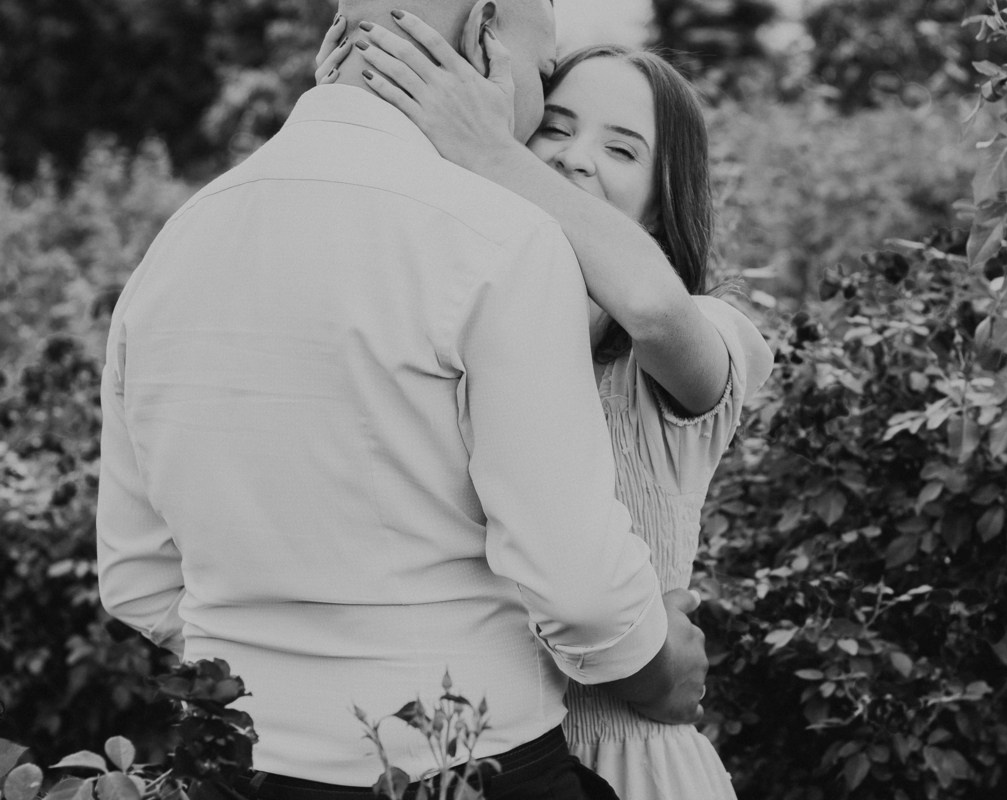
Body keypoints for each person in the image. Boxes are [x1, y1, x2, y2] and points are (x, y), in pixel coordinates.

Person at [96, 2, 713, 799]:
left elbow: (137, 577)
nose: (538, 94)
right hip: (463, 762)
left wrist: (291, 672)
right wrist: (652, 671)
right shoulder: (500, 240)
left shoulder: (173, 244)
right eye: (543, 65)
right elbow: (580, 586)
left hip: (241, 773)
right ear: (485, 32)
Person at [314, 12, 774, 799]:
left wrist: (492, 153)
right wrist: (352, 103)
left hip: (633, 766)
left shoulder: (713, 336)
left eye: (621, 149)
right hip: (473, 759)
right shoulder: (460, 325)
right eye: (553, 128)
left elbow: (655, 309)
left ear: (662, 207)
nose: (574, 157)